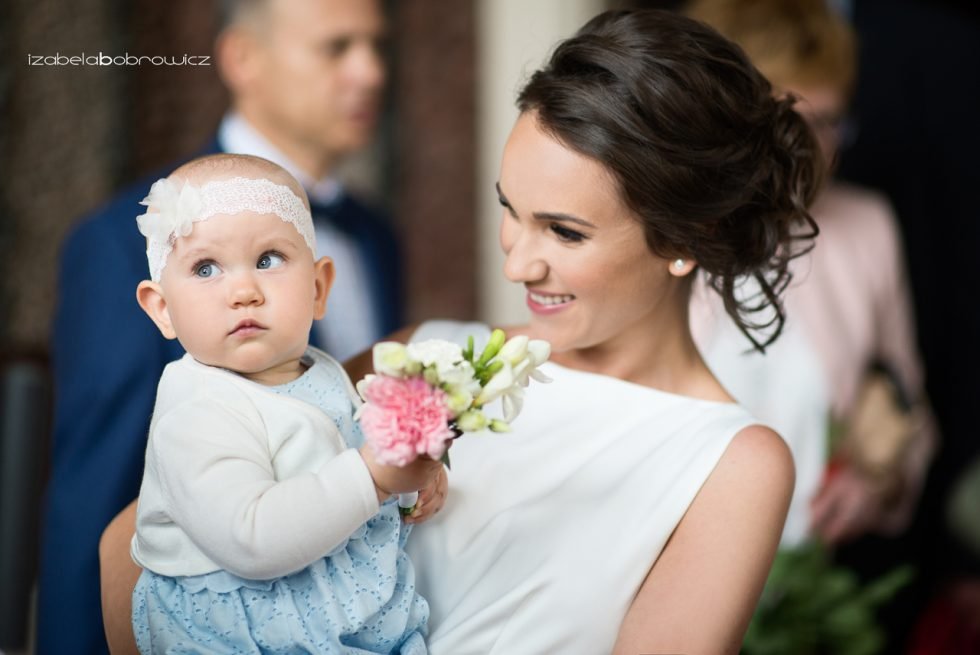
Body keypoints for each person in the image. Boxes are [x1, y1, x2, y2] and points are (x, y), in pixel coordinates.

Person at [101, 9, 822, 653]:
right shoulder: (421, 353)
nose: (516, 259)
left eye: (564, 232)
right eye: (512, 208)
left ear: (686, 236)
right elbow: (132, 553)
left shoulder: (730, 462)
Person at [38, 2, 400, 652]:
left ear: (318, 282)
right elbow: (93, 496)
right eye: (336, 47)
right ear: (242, 59)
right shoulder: (121, 242)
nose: (370, 72)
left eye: (377, 46)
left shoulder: (374, 236)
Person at [128, 153, 443, 653]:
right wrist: (374, 477)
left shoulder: (321, 370)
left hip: (344, 614)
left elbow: (358, 451)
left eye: (268, 260)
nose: (244, 291)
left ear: (318, 289)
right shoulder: (195, 410)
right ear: (163, 309)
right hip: (242, 635)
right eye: (206, 267)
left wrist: (410, 473)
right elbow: (251, 538)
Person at [684, 0, 937, 548]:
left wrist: (880, 484)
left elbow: (909, 402)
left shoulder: (868, 228)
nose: (816, 149)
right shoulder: (671, 224)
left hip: (811, 569)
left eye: (831, 122)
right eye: (793, 120)